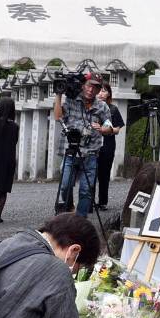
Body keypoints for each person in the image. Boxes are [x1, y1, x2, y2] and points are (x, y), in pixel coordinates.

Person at [53, 72, 110, 217]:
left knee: (86, 190)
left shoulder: (102, 107)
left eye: (95, 88)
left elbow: (109, 126)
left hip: (91, 154)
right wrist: (59, 95)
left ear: (99, 90)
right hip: (71, 151)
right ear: (83, 85)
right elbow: (58, 117)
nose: (91, 90)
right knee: (65, 186)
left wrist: (104, 129)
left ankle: (80, 221)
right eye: (89, 86)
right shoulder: (72, 101)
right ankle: (68, 210)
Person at [95, 83, 125, 209]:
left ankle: (102, 202)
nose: (101, 94)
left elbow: (118, 129)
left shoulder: (113, 109)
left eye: (104, 91)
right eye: (99, 91)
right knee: (91, 173)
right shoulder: (91, 108)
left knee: (104, 174)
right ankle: (88, 202)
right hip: (92, 146)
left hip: (107, 145)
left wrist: (107, 130)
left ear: (109, 94)